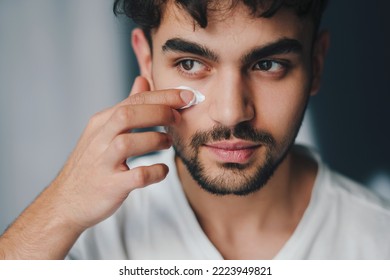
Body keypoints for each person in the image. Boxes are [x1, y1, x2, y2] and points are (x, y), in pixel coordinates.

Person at [0, 0, 389, 260]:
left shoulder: (379, 241)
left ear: (316, 65)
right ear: (146, 61)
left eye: (268, 65)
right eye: (190, 64)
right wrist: (59, 211)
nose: (231, 113)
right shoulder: (83, 238)